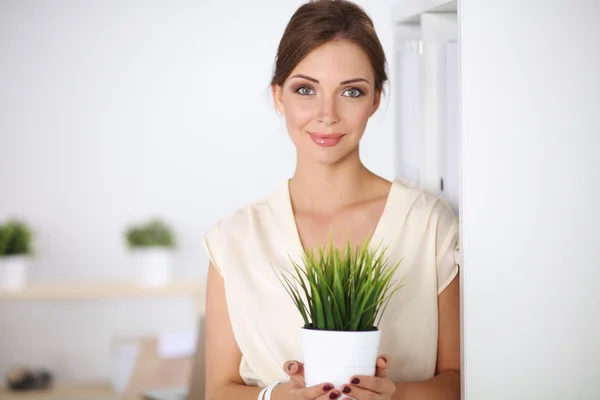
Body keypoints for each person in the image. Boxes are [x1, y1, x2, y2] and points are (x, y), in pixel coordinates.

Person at [198, 1, 461, 399]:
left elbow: (460, 379)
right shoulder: (234, 238)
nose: (327, 114)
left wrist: (395, 395)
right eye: (306, 89)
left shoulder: (428, 224)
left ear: (375, 100)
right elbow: (218, 390)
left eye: (351, 91)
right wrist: (277, 397)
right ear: (278, 97)